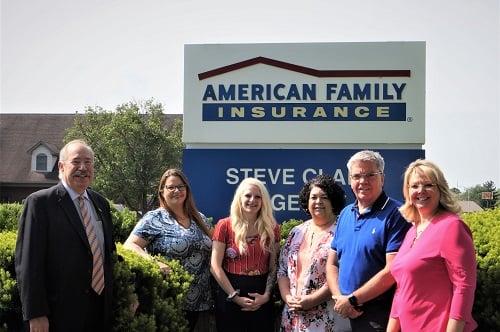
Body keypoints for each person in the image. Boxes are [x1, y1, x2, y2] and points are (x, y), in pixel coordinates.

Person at [15, 139, 115, 332]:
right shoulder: (40, 203)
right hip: (58, 314)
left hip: (99, 311)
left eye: (88, 162)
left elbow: (107, 254)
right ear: (61, 166)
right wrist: (36, 313)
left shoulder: (101, 204)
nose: (83, 168)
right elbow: (29, 262)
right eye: (76, 161)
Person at [387, 159, 477, 332]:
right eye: (414, 186)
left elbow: (464, 286)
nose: (421, 191)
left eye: (428, 185)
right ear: (407, 192)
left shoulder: (452, 226)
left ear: (440, 190)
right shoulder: (412, 231)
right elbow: (402, 288)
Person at [326, 150, 410, 331]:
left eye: (370, 175)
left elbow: (392, 270)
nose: (363, 181)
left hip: (377, 317)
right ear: (350, 180)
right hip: (343, 314)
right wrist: (340, 299)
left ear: (383, 178)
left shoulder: (397, 214)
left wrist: (354, 300)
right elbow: (332, 263)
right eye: (357, 176)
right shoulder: (345, 214)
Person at [123, 168, 213, 332]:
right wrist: (154, 262)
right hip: (171, 297)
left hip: (202, 301)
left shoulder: (201, 219)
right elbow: (130, 245)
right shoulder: (154, 218)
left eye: (181, 186)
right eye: (171, 187)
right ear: (162, 191)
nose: (177, 191)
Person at [278, 174, 350, 332]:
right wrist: (287, 297)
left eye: (324, 197)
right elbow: (282, 269)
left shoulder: (343, 232)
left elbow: (342, 273)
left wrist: (312, 299)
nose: (318, 202)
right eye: (314, 197)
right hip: (292, 319)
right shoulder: (296, 232)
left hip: (327, 318)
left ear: (333, 201)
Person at [210, 177, 280, 332]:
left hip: (261, 297)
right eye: (248, 195)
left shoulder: (272, 228)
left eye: (258, 196)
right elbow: (215, 266)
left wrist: (267, 296)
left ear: (264, 201)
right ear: (239, 198)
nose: (252, 200)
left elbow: (273, 266)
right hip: (230, 295)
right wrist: (235, 297)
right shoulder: (224, 226)